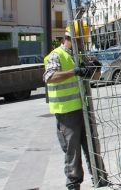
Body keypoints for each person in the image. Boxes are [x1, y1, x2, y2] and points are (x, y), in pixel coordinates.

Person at [43, 31, 103, 190]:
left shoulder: (80, 56)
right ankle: (73, 184)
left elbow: (95, 78)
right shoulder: (57, 55)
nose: (84, 45)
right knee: (72, 150)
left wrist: (97, 68)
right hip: (67, 112)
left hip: (84, 108)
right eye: (82, 42)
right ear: (71, 39)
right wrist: (74, 72)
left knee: (92, 146)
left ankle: (100, 178)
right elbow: (49, 77)